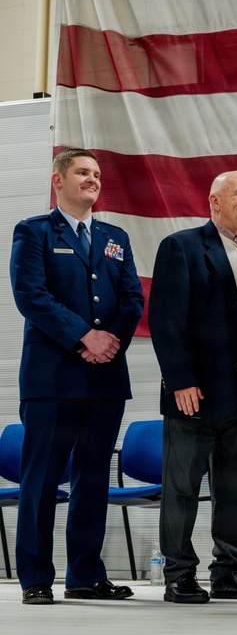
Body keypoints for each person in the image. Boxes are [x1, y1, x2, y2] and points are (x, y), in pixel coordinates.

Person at [10, 148, 144, 605]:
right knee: (42, 480)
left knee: (92, 479)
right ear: (58, 181)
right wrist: (85, 337)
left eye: (97, 174)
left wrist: (110, 342)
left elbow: (132, 298)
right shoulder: (34, 231)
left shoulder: (114, 237)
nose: (93, 180)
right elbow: (31, 296)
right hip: (53, 378)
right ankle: (35, 578)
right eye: (83, 172)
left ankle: (85, 575)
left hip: (105, 378)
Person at [147, 171, 237, 604]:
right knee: (182, 489)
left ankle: (229, 571)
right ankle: (179, 574)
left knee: (233, 490)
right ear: (214, 201)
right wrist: (181, 380)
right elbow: (165, 319)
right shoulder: (181, 246)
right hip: (195, 394)